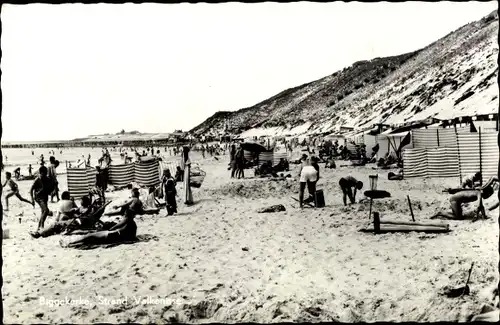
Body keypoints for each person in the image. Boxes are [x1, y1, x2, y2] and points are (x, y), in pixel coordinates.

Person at [60, 189, 143, 248]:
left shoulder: (127, 219)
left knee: (90, 236)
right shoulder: (131, 223)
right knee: (90, 237)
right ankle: (70, 244)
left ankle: (69, 244)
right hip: (114, 235)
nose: (123, 214)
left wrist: (109, 229)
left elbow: (115, 227)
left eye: (124, 213)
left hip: (112, 235)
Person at [432, 177, 499, 220]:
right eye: (489, 195)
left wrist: (485, 216)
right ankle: (440, 213)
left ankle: (453, 211)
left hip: (457, 200)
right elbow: (479, 206)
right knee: (458, 217)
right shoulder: (479, 193)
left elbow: (481, 206)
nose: (488, 197)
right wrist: (479, 215)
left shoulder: (478, 192)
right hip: (454, 200)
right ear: (487, 193)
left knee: (460, 215)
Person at [30, 166, 55, 231]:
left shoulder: (47, 179)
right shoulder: (37, 179)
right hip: (38, 198)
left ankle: (39, 227)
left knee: (43, 212)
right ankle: (41, 226)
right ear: (41, 173)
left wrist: (52, 192)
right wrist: (32, 199)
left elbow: (50, 188)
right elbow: (31, 189)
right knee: (46, 211)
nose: (45, 175)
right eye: (44, 173)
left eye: (46, 173)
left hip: (45, 197)